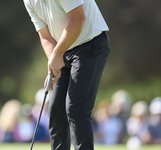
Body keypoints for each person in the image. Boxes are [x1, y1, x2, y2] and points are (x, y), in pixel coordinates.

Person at [23, 0, 110, 149]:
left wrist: (57, 54)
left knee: (76, 108)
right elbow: (45, 36)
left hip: (90, 44)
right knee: (57, 110)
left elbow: (78, 18)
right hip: (64, 50)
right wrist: (53, 62)